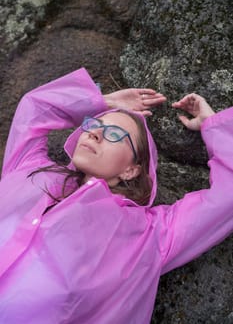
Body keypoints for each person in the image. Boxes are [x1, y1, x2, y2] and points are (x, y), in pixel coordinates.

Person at [0, 67, 232, 324]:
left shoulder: (150, 235)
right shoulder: (29, 168)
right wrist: (102, 102)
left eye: (113, 134)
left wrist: (213, 124)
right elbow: (33, 109)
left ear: (132, 169)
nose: (94, 132)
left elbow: (226, 196)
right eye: (93, 124)